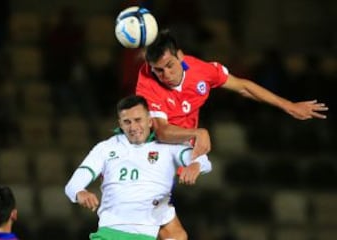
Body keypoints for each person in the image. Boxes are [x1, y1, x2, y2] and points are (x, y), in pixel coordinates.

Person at [135, 29, 329, 239]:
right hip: (147, 161)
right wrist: (198, 132)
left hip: (173, 160)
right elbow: (162, 131)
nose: (165, 75)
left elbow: (243, 86)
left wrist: (288, 105)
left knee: (175, 236)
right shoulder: (147, 81)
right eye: (158, 70)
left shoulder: (202, 71)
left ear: (180, 56)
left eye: (169, 66)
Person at [65, 95, 212, 240]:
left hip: (144, 231)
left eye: (138, 120)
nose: (133, 127)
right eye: (127, 122)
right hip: (109, 232)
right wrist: (80, 193)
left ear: (149, 121)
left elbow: (203, 160)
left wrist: (195, 165)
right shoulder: (105, 148)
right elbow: (72, 185)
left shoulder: (168, 146)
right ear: (120, 124)